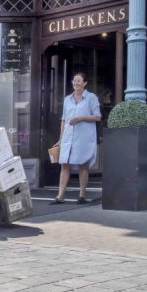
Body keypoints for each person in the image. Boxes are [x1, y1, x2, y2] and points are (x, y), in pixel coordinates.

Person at [52, 73, 101, 204]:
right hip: (68, 136)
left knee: (82, 165)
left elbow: (97, 117)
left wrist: (81, 118)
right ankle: (60, 196)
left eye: (79, 81)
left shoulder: (91, 98)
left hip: (83, 137)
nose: (76, 83)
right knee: (64, 165)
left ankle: (82, 195)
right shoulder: (67, 99)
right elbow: (64, 120)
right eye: (74, 81)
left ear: (85, 83)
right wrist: (60, 138)